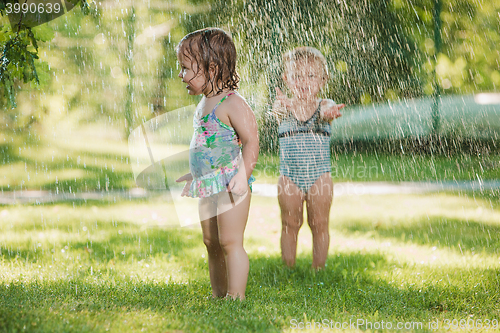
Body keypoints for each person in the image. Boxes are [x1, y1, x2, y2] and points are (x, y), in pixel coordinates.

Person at [175, 28, 259, 300]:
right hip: (207, 184)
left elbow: (251, 142)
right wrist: (195, 172)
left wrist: (243, 175)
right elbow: (208, 145)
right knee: (211, 243)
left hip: (230, 184)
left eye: (186, 69)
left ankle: (236, 296)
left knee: (230, 241)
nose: (181, 75)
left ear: (211, 69)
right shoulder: (203, 103)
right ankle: (218, 294)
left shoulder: (232, 103)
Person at [272, 47, 344, 270]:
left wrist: (329, 113)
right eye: (296, 76)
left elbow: (328, 109)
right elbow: (276, 111)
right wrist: (281, 107)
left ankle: (318, 269)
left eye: (311, 76)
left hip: (319, 177)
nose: (304, 81)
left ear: (323, 80)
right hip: (289, 178)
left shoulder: (323, 105)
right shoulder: (283, 107)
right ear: (286, 79)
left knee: (320, 223)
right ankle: (288, 267)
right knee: (289, 224)